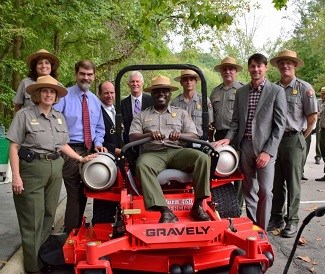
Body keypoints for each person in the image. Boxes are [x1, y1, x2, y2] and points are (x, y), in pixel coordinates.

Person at [6, 75, 95, 274]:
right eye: (44, 91)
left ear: (56, 96)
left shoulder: (59, 117)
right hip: (32, 169)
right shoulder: (25, 115)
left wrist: (80, 159)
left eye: (52, 91)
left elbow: (63, 145)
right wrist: (17, 176)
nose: (48, 94)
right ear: (37, 94)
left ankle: (43, 258)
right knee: (32, 219)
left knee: (48, 215)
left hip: (55, 167)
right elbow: (13, 146)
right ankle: (32, 267)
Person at [213, 53, 287, 230]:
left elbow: (280, 126)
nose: (256, 69)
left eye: (259, 66)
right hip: (245, 147)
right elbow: (236, 122)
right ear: (248, 68)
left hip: (265, 150)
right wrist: (228, 138)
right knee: (248, 191)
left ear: (265, 68)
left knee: (266, 192)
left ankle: (262, 229)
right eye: (253, 66)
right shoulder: (241, 92)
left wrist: (267, 152)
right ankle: (253, 227)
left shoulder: (277, 91)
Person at [129, 75, 211, 223]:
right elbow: (133, 136)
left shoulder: (181, 113)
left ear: (169, 94)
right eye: (157, 91)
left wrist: (180, 135)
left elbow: (194, 134)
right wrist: (149, 135)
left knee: (203, 158)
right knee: (141, 165)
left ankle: (198, 205)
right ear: (152, 94)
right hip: (153, 153)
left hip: (177, 151)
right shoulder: (142, 115)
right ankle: (165, 211)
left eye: (165, 91)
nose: (161, 93)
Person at [268, 49, 317, 238]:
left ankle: (293, 220)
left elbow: (312, 118)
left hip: (294, 138)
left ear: (295, 65)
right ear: (278, 66)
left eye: (289, 62)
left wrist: (301, 138)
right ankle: (276, 218)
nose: (285, 65)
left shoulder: (305, 88)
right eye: (282, 62)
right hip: (275, 140)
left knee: (294, 183)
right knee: (276, 182)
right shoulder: (273, 89)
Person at [53, 60, 107, 234]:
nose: (86, 77)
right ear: (76, 74)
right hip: (70, 150)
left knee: (94, 188)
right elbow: (55, 124)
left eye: (89, 74)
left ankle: (87, 228)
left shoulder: (95, 100)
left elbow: (99, 128)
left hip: (91, 149)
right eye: (82, 73)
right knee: (75, 192)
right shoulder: (63, 97)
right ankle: (70, 234)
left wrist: (98, 143)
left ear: (94, 76)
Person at [210, 56, 244, 210]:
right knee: (218, 171)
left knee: (238, 172)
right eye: (224, 69)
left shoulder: (243, 90)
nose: (227, 71)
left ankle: (236, 206)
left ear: (235, 71)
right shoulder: (215, 91)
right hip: (219, 136)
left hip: (237, 136)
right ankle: (222, 206)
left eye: (231, 68)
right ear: (221, 72)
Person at [92, 81, 120, 224]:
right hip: (105, 157)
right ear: (99, 94)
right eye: (106, 93)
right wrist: (113, 149)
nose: (110, 96)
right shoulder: (96, 111)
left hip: (122, 157)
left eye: (112, 92)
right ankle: (102, 225)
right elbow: (95, 136)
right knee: (105, 193)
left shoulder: (117, 110)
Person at [171, 69, 213, 138]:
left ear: (196, 81)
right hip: (181, 140)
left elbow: (210, 124)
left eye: (191, 79)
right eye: (185, 80)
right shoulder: (175, 102)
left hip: (200, 140)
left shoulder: (204, 100)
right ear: (181, 83)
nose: (188, 82)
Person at [121, 71, 154, 144]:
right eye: (132, 81)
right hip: (130, 143)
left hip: (148, 142)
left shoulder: (151, 101)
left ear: (142, 83)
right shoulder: (123, 104)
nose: (135, 84)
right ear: (129, 84)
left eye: (137, 81)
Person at [315, 87, 325, 181]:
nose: (323, 94)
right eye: (322, 93)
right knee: (323, 150)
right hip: (322, 129)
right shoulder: (320, 102)